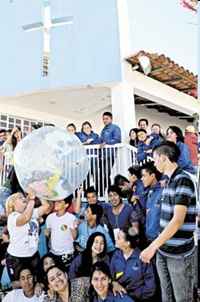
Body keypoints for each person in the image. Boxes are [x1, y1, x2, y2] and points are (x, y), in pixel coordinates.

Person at [140, 141, 196, 302]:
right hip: (164, 251)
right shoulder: (169, 181)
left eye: (155, 158)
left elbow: (177, 220)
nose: (154, 163)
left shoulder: (182, 180)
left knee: (182, 298)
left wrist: (152, 247)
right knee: (167, 297)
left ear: (164, 158)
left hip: (179, 254)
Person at [6, 192, 50, 281]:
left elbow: (46, 206)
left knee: (34, 282)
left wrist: (39, 192)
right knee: (18, 285)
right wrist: (32, 200)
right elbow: (26, 218)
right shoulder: (12, 217)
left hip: (33, 255)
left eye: (23, 196)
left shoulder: (31, 212)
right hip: (17, 258)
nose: (24, 198)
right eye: (19, 197)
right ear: (12, 204)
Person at [110, 228, 155, 301]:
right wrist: (113, 283)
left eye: (118, 238)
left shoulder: (142, 258)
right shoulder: (116, 255)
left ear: (127, 243)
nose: (116, 239)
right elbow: (110, 276)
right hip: (119, 297)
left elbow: (150, 287)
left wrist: (130, 295)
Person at [69, 232, 109, 302]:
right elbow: (71, 275)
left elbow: (108, 276)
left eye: (102, 243)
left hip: (99, 289)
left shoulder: (105, 258)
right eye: (96, 242)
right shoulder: (81, 257)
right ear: (91, 243)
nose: (99, 246)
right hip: (81, 291)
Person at [45, 196, 77, 271]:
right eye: (56, 201)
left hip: (67, 253)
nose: (56, 203)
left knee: (65, 274)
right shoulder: (50, 217)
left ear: (66, 205)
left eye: (59, 202)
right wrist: (47, 233)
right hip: (53, 252)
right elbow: (47, 234)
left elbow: (74, 237)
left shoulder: (71, 218)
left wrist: (74, 227)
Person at [99, 112, 121, 194]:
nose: (104, 120)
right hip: (102, 156)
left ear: (111, 119)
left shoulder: (115, 128)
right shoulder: (103, 129)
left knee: (106, 173)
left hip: (109, 155)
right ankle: (101, 192)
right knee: (101, 174)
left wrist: (106, 142)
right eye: (103, 119)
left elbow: (117, 139)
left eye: (106, 118)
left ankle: (108, 192)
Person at [141, 162, 163, 242]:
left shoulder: (163, 191)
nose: (142, 178)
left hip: (160, 240)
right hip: (149, 238)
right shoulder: (149, 192)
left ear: (153, 176)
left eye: (144, 176)